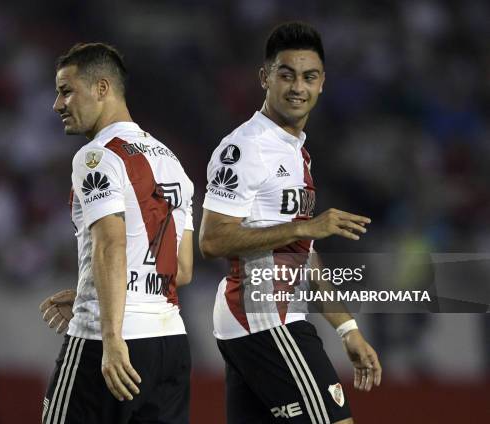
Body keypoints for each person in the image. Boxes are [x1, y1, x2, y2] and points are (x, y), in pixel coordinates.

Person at [198, 22, 381, 423]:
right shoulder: (244, 148)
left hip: (261, 319)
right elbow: (212, 240)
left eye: (308, 77)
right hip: (264, 318)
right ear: (265, 78)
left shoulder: (296, 151)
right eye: (286, 75)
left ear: (322, 84)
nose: (298, 87)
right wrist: (302, 227)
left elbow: (303, 254)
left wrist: (346, 327)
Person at [39, 42, 194, 424]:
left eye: (65, 90)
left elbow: (111, 245)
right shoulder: (172, 162)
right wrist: (94, 288)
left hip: (107, 340)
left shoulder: (97, 156)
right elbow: (183, 269)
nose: (57, 105)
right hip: (170, 342)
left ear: (102, 88)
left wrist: (111, 338)